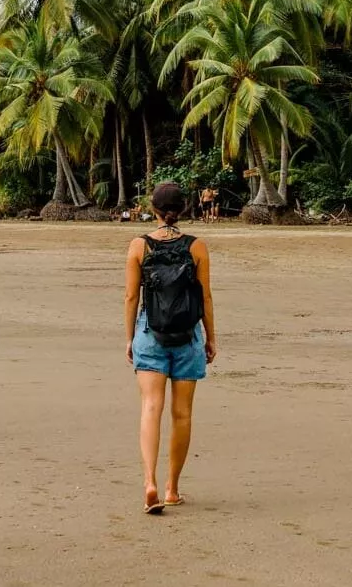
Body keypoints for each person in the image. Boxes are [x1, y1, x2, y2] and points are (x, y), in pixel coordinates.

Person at [124, 182, 217, 514]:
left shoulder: (139, 245)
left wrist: (130, 338)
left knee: (151, 406)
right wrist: (210, 337)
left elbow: (131, 297)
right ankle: (172, 488)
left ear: (153, 209)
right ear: (183, 209)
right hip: (188, 336)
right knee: (182, 414)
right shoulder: (197, 247)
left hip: (150, 332)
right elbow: (205, 297)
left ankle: (149, 481)